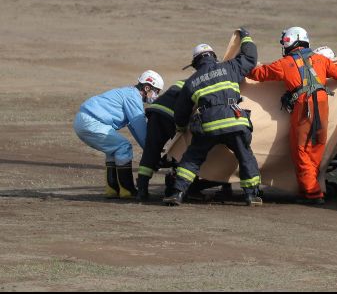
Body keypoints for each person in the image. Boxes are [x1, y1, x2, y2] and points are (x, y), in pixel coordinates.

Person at [248, 27, 337, 205]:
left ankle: (312, 194)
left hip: (304, 107)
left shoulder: (284, 64)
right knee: (316, 147)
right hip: (322, 106)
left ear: (290, 41)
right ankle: (310, 187)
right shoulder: (320, 60)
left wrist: (241, 65)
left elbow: (258, 74)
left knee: (301, 151)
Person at [163, 29, 262, 207]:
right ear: (213, 56)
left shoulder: (192, 81)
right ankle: (251, 195)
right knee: (245, 156)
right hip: (234, 120)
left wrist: (180, 127)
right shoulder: (230, 67)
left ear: (196, 63)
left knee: (192, 158)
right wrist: (246, 37)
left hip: (207, 124)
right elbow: (250, 58)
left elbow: (181, 111)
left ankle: (177, 193)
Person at [73, 70, 164, 199]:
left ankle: (112, 190)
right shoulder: (133, 97)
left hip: (83, 120)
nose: (156, 95)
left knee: (113, 151)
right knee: (123, 146)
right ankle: (127, 190)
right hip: (91, 122)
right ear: (147, 87)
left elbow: (134, 127)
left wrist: (148, 148)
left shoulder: (129, 93)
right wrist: (153, 151)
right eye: (156, 91)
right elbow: (140, 126)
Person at [135, 79, 186, 201]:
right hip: (172, 115)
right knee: (181, 150)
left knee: (150, 150)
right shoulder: (207, 83)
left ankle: (141, 190)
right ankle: (174, 189)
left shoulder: (186, 81)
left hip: (155, 111)